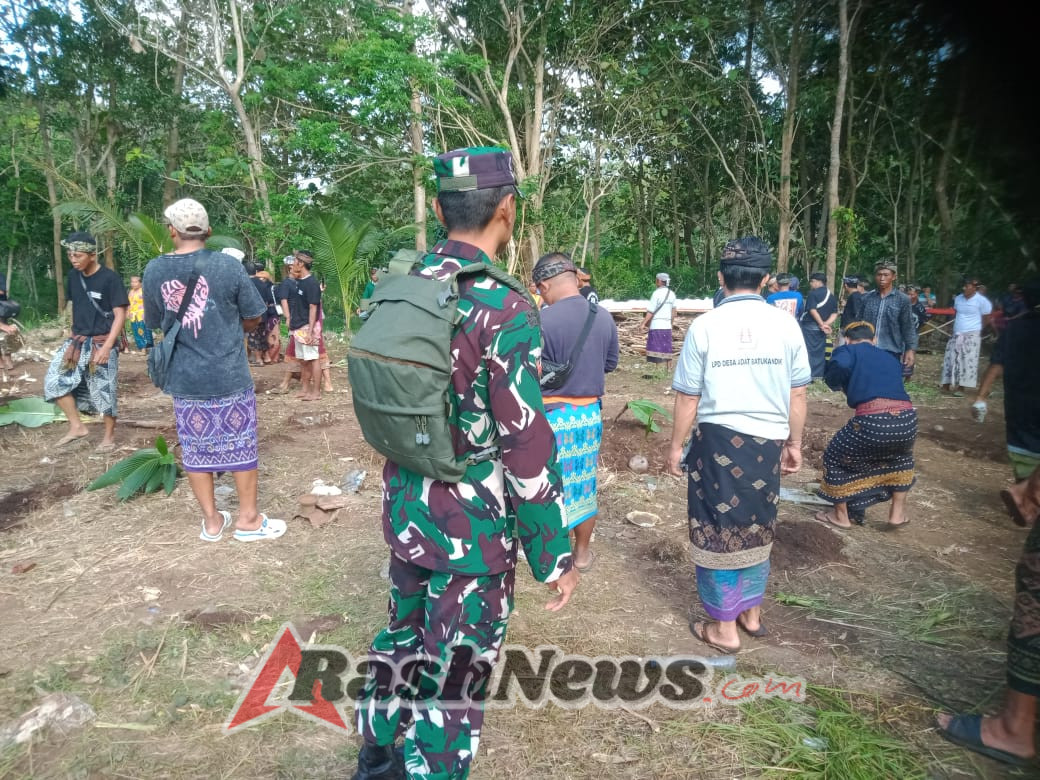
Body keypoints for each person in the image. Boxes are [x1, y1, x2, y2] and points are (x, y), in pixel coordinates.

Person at [352, 147, 578, 780]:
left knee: (403, 631)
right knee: (456, 665)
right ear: (506, 210)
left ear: (440, 208)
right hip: (472, 527)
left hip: (406, 505)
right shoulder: (502, 308)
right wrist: (553, 554)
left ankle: (376, 749)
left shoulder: (397, 287)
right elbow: (525, 443)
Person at [667, 236, 809, 654]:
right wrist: (794, 442)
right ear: (765, 279)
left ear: (720, 278)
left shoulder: (705, 325)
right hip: (767, 443)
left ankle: (725, 628)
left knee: (717, 529)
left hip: (716, 444)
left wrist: (675, 446)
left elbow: (688, 397)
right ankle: (751, 613)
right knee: (757, 523)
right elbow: (797, 394)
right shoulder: (785, 325)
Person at [937, 280, 1040, 767]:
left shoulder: (1022, 331)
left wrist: (1035, 484)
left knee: (1036, 592)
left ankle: (1015, 728)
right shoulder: (1019, 330)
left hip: (1031, 450)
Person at [142, 198, 285, 543]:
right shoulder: (228, 266)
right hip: (229, 374)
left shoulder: (153, 271)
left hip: (185, 378)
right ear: (209, 231)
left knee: (195, 449)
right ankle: (248, 520)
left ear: (172, 231)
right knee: (241, 444)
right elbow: (254, 317)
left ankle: (211, 522)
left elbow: (155, 324)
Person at [534, 251, 619, 573]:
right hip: (588, 416)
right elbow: (610, 363)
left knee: (545, 485)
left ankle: (549, 554)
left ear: (544, 284)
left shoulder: (542, 320)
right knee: (583, 484)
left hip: (549, 416)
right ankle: (581, 554)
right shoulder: (603, 316)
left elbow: (530, 368)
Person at [813, 322, 916, 529]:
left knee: (834, 455)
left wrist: (834, 380)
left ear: (848, 339)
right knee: (900, 458)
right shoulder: (889, 356)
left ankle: (840, 516)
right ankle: (897, 514)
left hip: (873, 421)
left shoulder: (847, 350)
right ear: (874, 340)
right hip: (907, 419)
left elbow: (839, 368)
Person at [43, 232, 128, 451]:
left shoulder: (110, 279)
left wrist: (108, 347)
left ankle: (108, 437)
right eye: (70, 255)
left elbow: (120, 315)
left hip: (102, 342)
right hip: (77, 342)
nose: (73, 259)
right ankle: (77, 426)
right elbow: (76, 306)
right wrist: (71, 335)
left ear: (92, 255)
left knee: (104, 390)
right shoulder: (73, 276)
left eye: (78, 255)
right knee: (54, 382)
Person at [859, 260, 917, 380]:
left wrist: (910, 350)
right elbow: (859, 324)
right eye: (879, 274)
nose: (882, 278)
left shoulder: (903, 299)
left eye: (886, 275)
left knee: (887, 384)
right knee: (867, 382)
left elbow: (908, 326)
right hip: (868, 349)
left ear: (894, 277)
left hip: (891, 350)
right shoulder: (867, 298)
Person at [941, 275, 993, 396]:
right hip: (956, 333)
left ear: (975, 288)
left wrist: (978, 330)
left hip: (971, 334)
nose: (964, 288)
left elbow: (986, 318)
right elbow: (956, 314)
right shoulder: (958, 298)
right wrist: (951, 327)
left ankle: (961, 387)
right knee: (950, 358)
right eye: (964, 286)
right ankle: (946, 384)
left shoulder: (982, 301)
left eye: (967, 286)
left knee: (967, 360)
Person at [285, 251, 322, 401]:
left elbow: (313, 307)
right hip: (299, 326)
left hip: (307, 326)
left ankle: (316, 392)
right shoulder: (300, 281)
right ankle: (305, 389)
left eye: (295, 261)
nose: (293, 264)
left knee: (313, 358)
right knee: (304, 360)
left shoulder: (312, 283)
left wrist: (311, 330)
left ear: (301, 264)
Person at [799, 272, 838, 379]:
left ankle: (808, 375)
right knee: (820, 351)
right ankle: (818, 375)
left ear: (817, 282)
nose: (811, 284)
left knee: (809, 351)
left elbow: (812, 310)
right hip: (822, 329)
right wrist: (826, 324)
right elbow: (835, 313)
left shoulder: (813, 294)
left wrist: (821, 324)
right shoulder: (831, 295)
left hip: (810, 326)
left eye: (811, 282)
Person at [245, 262, 281, 365]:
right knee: (262, 336)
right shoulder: (263, 284)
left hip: (252, 314)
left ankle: (258, 359)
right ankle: (266, 358)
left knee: (253, 337)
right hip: (264, 314)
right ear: (256, 272)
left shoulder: (246, 283)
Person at [642, 271, 677, 368]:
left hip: (657, 324)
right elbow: (674, 312)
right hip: (667, 325)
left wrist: (643, 324)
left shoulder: (656, 294)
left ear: (660, 281)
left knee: (657, 347)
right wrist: (671, 324)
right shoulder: (672, 294)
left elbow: (650, 311)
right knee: (667, 346)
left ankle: (658, 368)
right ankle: (669, 368)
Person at [125, 275, 154, 354]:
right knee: (136, 332)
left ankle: (146, 349)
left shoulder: (143, 291)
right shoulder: (130, 292)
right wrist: (127, 312)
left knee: (144, 331)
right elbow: (128, 303)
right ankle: (142, 348)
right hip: (133, 316)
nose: (133, 284)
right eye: (132, 282)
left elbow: (149, 302)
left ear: (140, 283)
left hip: (143, 315)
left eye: (135, 282)